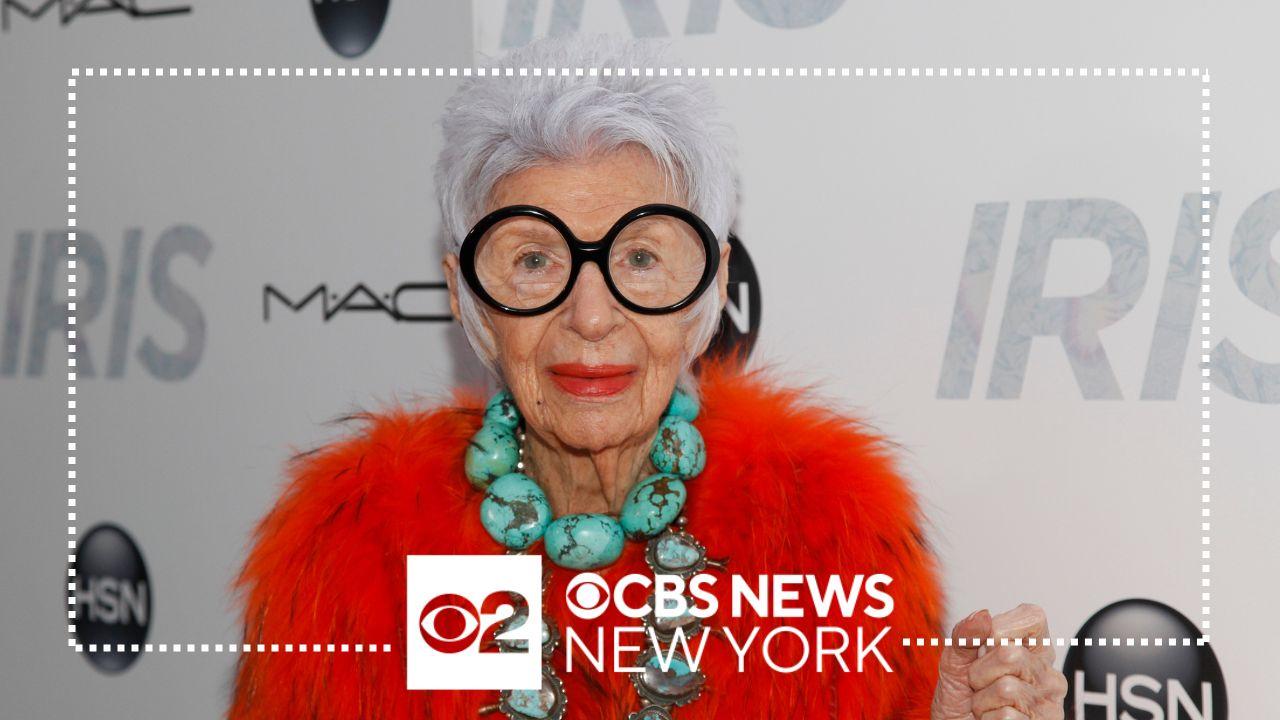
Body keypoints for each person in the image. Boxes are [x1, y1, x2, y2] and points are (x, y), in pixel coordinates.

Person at [228, 33, 1067, 720]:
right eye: (534, 259)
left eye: (639, 257)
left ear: (710, 285)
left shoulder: (827, 535)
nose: (591, 316)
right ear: (465, 294)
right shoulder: (358, 552)